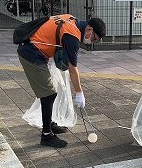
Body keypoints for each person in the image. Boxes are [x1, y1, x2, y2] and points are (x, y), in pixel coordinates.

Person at [17, 14, 106, 148]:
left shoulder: (71, 20)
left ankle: (49, 124)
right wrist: (79, 93)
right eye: (94, 39)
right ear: (89, 29)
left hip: (33, 48)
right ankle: (46, 135)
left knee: (51, 91)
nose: (91, 42)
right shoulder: (72, 36)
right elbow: (72, 69)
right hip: (31, 53)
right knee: (48, 94)